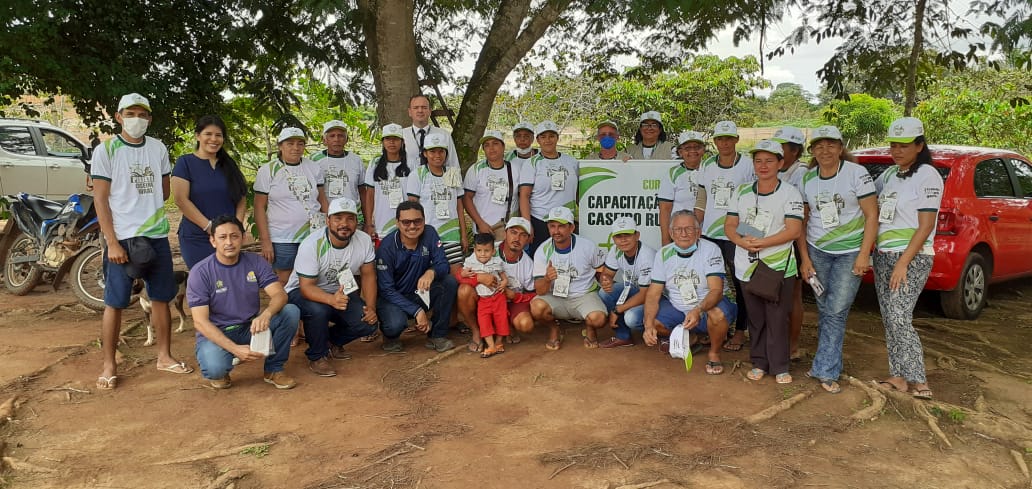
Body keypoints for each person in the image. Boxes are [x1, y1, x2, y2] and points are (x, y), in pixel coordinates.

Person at [91, 93, 194, 390]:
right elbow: (100, 199)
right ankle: (109, 364)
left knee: (162, 297)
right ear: (119, 116)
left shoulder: (157, 148)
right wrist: (111, 242)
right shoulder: (107, 150)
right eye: (131, 113)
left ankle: (165, 356)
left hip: (157, 234)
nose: (137, 119)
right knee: (115, 301)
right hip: (122, 237)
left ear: (149, 118)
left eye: (142, 114)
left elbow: (163, 193)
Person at [795, 126, 878, 394]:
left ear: (841, 148)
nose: (825, 150)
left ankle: (826, 370)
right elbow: (803, 222)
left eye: (831, 145)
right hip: (817, 251)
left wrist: (864, 254)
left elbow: (871, 216)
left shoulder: (857, 174)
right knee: (826, 310)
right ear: (813, 151)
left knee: (836, 311)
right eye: (819, 146)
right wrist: (805, 259)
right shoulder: (808, 179)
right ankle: (828, 364)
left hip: (850, 252)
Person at [872, 117, 942, 400]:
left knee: (900, 316)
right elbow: (866, 201)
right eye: (893, 145)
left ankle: (917, 378)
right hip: (884, 254)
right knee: (890, 317)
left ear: (919, 146)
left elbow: (925, 226)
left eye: (904, 145)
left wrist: (903, 263)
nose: (897, 150)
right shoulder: (889, 175)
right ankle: (897, 376)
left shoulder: (928, 175)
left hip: (912, 257)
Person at [187, 215, 299, 389]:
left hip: (250, 326)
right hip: (219, 331)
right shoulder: (200, 272)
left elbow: (280, 295)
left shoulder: (255, 262)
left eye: (234, 236)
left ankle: (274, 369)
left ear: (243, 238)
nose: (229, 242)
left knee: (290, 312)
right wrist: (235, 349)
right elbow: (200, 322)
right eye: (222, 237)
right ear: (213, 241)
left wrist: (266, 314)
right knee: (215, 370)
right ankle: (224, 362)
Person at [724, 140, 804, 384]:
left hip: (777, 266)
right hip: (746, 263)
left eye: (769, 160)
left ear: (781, 163)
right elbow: (729, 225)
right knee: (756, 318)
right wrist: (740, 241)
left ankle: (780, 366)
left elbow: (793, 230)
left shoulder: (790, 193)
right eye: (758, 161)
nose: (763, 165)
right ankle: (759, 361)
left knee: (777, 317)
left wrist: (762, 243)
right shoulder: (742, 191)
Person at [285, 198, 378, 377]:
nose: (344, 224)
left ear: (356, 222)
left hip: (340, 291)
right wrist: (330, 300)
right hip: (302, 292)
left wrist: (371, 308)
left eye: (350, 218)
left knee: (368, 324)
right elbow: (306, 287)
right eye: (338, 218)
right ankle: (317, 356)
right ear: (328, 221)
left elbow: (368, 275)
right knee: (319, 310)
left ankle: (330, 341)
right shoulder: (312, 244)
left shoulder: (364, 240)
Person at [644, 210, 737, 374]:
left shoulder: (710, 250)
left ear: (698, 232)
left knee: (717, 314)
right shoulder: (663, 254)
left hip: (707, 306)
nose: (684, 234)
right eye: (678, 229)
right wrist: (648, 325)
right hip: (679, 308)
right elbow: (653, 294)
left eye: (689, 229)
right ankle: (693, 338)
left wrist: (698, 309)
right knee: (652, 322)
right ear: (671, 233)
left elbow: (716, 290)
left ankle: (714, 353)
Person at [696, 120, 754, 352]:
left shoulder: (748, 165)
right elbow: (702, 199)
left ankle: (741, 331)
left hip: (736, 234)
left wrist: (750, 233)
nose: (725, 143)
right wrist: (696, 225)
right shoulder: (707, 165)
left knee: (741, 282)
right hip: (710, 233)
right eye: (720, 139)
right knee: (712, 282)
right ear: (715, 141)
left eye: (729, 138)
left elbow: (753, 199)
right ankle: (718, 326)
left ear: (737, 140)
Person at [375, 201, 458, 353]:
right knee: (394, 325)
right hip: (394, 298)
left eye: (417, 221)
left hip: (419, 293)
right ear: (397, 223)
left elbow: (443, 264)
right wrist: (417, 311)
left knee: (449, 282)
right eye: (406, 222)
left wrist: (431, 272)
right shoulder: (386, 247)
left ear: (424, 220)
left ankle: (437, 335)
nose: (412, 226)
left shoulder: (430, 233)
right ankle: (390, 336)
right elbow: (386, 290)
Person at [253, 127, 329, 284]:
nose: (295, 148)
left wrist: (330, 227)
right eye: (290, 143)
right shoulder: (268, 170)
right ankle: (288, 308)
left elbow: (322, 200)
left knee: (313, 274)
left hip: (313, 233)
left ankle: (309, 308)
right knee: (285, 277)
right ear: (280, 146)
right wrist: (265, 240)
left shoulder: (313, 167)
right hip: (282, 236)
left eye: (300, 143)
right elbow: (259, 207)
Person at [171, 115, 248, 269]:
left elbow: (241, 198)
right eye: (208, 134)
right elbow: (181, 200)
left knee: (228, 281)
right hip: (196, 237)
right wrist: (209, 227)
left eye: (218, 135)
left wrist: (236, 227)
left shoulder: (229, 165)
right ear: (198, 136)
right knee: (203, 284)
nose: (213, 139)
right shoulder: (185, 163)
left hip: (227, 238)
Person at [530, 207, 607, 350]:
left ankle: (590, 329)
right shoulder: (543, 250)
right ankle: (554, 329)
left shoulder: (587, 246)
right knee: (536, 308)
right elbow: (540, 290)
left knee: (598, 319)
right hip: (556, 297)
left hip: (583, 295)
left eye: (561, 226)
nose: (556, 231)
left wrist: (605, 282)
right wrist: (547, 278)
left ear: (571, 227)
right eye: (552, 226)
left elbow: (601, 269)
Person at [456, 217, 536, 353]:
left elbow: (534, 293)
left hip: (506, 301)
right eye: (514, 232)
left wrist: (515, 296)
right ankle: (476, 331)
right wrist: (479, 278)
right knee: (464, 291)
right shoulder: (487, 247)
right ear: (505, 233)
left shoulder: (528, 264)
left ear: (528, 239)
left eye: (523, 235)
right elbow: (460, 275)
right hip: (483, 298)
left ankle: (507, 327)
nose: (517, 238)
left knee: (525, 324)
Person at [772, 126, 808, 359]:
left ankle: (792, 346)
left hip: (791, 241)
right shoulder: (775, 170)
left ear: (794, 151)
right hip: (769, 240)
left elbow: (802, 213)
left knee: (793, 294)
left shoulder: (800, 173)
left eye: (781, 147)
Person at [406, 132, 467, 266]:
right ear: (425, 153)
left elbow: (459, 207)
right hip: (426, 235)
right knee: (429, 274)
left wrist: (463, 235)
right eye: (432, 151)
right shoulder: (418, 174)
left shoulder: (452, 173)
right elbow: (412, 209)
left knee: (454, 274)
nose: (437, 156)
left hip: (451, 235)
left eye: (441, 151)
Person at [519, 121, 579, 254]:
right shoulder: (532, 163)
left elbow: (579, 193)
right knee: (542, 259)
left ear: (557, 138)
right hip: (541, 221)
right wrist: (527, 225)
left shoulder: (572, 162)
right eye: (543, 137)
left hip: (567, 220)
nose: (548, 140)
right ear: (538, 140)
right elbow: (524, 196)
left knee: (568, 257)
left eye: (551, 136)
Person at [596, 217, 656, 348]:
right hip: (635, 288)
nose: (623, 240)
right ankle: (624, 337)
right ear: (613, 239)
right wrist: (605, 280)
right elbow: (606, 274)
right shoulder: (616, 250)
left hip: (656, 296)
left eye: (627, 235)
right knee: (604, 292)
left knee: (632, 318)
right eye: (618, 236)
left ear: (637, 235)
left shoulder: (647, 256)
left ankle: (661, 334)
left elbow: (646, 294)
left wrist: (617, 310)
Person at [463, 130, 521, 241]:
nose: (491, 148)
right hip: (483, 230)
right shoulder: (476, 169)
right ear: (483, 149)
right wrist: (480, 223)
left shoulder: (514, 169)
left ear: (503, 147)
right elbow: (467, 198)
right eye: (487, 145)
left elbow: (523, 197)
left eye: (495, 143)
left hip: (507, 230)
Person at [462, 233, 511, 358]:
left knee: (501, 319)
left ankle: (499, 343)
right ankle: (491, 346)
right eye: (479, 250)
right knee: (484, 322)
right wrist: (464, 274)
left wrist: (504, 283)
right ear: (474, 250)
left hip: (498, 297)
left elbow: (504, 277)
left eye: (487, 251)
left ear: (493, 251)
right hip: (483, 300)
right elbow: (463, 274)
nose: (483, 254)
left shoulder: (497, 262)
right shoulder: (470, 262)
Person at [361, 123, 411, 242]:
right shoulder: (375, 163)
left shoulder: (412, 162)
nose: (392, 142)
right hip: (381, 222)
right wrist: (369, 223)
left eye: (395, 139)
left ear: (402, 142)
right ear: (383, 142)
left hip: (407, 223)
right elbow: (370, 194)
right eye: (388, 139)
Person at [658, 130, 707, 245]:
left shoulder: (710, 169)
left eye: (697, 147)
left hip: (706, 232)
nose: (693, 151)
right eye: (687, 148)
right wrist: (665, 239)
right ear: (680, 152)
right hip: (681, 233)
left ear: (703, 150)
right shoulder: (673, 173)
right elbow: (665, 209)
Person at [313, 120, 365, 205]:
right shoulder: (315, 160)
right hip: (326, 213)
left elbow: (362, 191)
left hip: (351, 213)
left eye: (340, 136)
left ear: (346, 139)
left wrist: (367, 218)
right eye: (332, 136)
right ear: (324, 140)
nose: (336, 139)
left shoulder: (356, 160)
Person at [402, 94, 459, 169]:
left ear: (430, 111)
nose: (420, 111)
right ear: (410, 112)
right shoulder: (400, 136)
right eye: (416, 108)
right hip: (407, 180)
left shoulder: (444, 135)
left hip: (438, 180)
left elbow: (453, 165)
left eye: (424, 107)